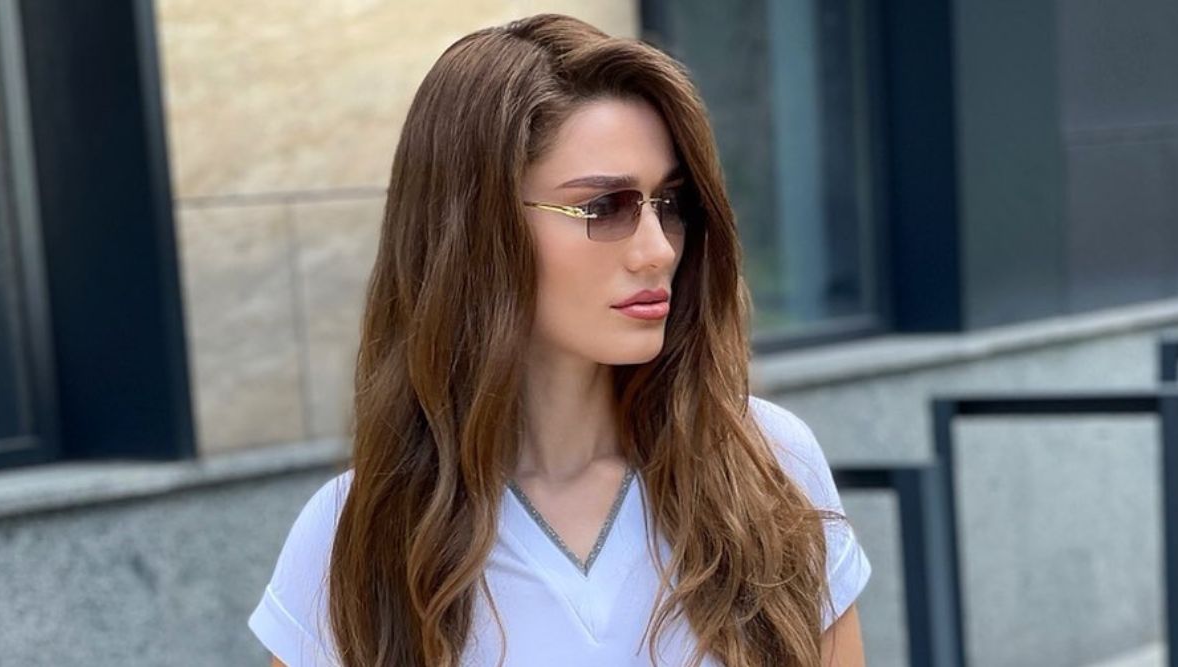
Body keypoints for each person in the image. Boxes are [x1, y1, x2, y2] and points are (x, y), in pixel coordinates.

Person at [247, 13, 871, 667]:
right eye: (604, 208)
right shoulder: (355, 535)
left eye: (669, 203)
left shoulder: (766, 465)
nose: (657, 250)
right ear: (478, 230)